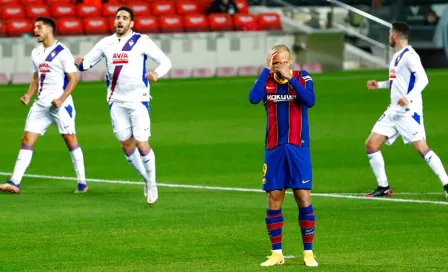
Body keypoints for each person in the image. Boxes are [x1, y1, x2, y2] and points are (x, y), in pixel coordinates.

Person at [74, 6, 172, 204]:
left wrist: (156, 74)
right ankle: (145, 178)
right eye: (118, 17)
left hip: (139, 100)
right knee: (126, 144)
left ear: (131, 23)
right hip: (116, 102)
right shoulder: (106, 43)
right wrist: (79, 62)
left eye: (125, 18)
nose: (120, 21)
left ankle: (152, 182)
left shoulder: (141, 41)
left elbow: (165, 62)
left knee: (142, 143)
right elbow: (87, 64)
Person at [249, 45, 318, 267]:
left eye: (283, 62)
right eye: (276, 62)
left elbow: (310, 101)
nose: (280, 66)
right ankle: (276, 253)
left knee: (302, 196)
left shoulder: (303, 77)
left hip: (298, 148)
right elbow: (253, 98)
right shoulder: (266, 80)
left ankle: (308, 253)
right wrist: (265, 70)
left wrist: (291, 78)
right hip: (274, 149)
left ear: (291, 61)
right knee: (274, 198)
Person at [0, 17, 87, 194]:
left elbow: (73, 79)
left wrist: (62, 99)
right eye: (34, 27)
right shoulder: (36, 52)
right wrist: (28, 95)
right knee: (26, 140)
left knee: (70, 141)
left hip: (60, 106)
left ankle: (82, 182)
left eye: (39, 27)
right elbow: (36, 78)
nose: (35, 30)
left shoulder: (63, 52)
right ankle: (15, 181)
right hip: (40, 105)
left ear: (49, 29)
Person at [365, 21, 448, 200]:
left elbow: (423, 80)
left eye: (389, 34)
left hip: (408, 112)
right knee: (371, 144)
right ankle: (384, 187)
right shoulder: (396, 56)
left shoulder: (410, 56)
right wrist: (378, 85)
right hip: (393, 111)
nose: (388, 36)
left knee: (421, 148)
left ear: (395, 35)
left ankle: (446, 183)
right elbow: (396, 84)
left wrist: (408, 98)